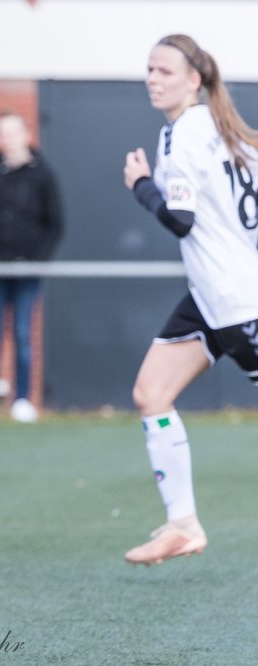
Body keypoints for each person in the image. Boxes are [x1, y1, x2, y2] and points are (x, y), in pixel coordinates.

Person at [120, 35, 258, 566]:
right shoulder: (229, 133)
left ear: (194, 80)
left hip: (237, 302)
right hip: (211, 296)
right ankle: (182, 525)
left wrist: (141, 185)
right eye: (149, 69)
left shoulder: (184, 133)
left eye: (164, 71)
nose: (153, 78)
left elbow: (180, 219)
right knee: (151, 392)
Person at [0, 111, 63, 423]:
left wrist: (39, 258)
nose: (7, 139)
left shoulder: (43, 174)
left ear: (25, 134)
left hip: (27, 270)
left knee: (22, 333)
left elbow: (55, 224)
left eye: (12, 132)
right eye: (2, 133)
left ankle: (22, 400)